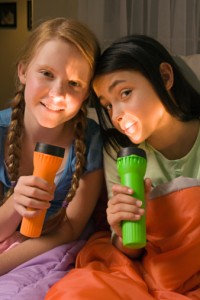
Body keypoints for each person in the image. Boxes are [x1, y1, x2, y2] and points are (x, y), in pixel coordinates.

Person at [46, 35, 200, 299]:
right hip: (150, 269)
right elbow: (132, 249)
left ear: (164, 77)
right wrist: (120, 230)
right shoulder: (117, 152)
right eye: (107, 105)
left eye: (125, 93)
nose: (116, 113)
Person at [0, 17, 104, 279]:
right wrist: (15, 205)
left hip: (51, 251)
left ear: (86, 94)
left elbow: (70, 229)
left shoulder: (89, 140)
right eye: (47, 74)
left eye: (74, 84)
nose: (58, 94)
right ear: (23, 71)